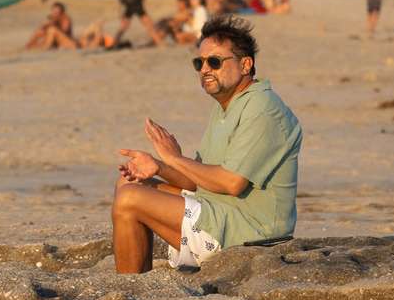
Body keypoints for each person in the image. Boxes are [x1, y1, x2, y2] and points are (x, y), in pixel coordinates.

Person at [112, 15, 302, 273]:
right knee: (129, 183)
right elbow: (197, 181)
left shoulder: (263, 109)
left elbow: (231, 183)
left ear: (245, 64)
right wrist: (156, 166)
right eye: (199, 63)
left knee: (130, 198)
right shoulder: (226, 107)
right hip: (220, 209)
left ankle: (129, 292)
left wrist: (174, 158)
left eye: (214, 61)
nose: (205, 70)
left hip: (252, 229)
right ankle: (137, 283)